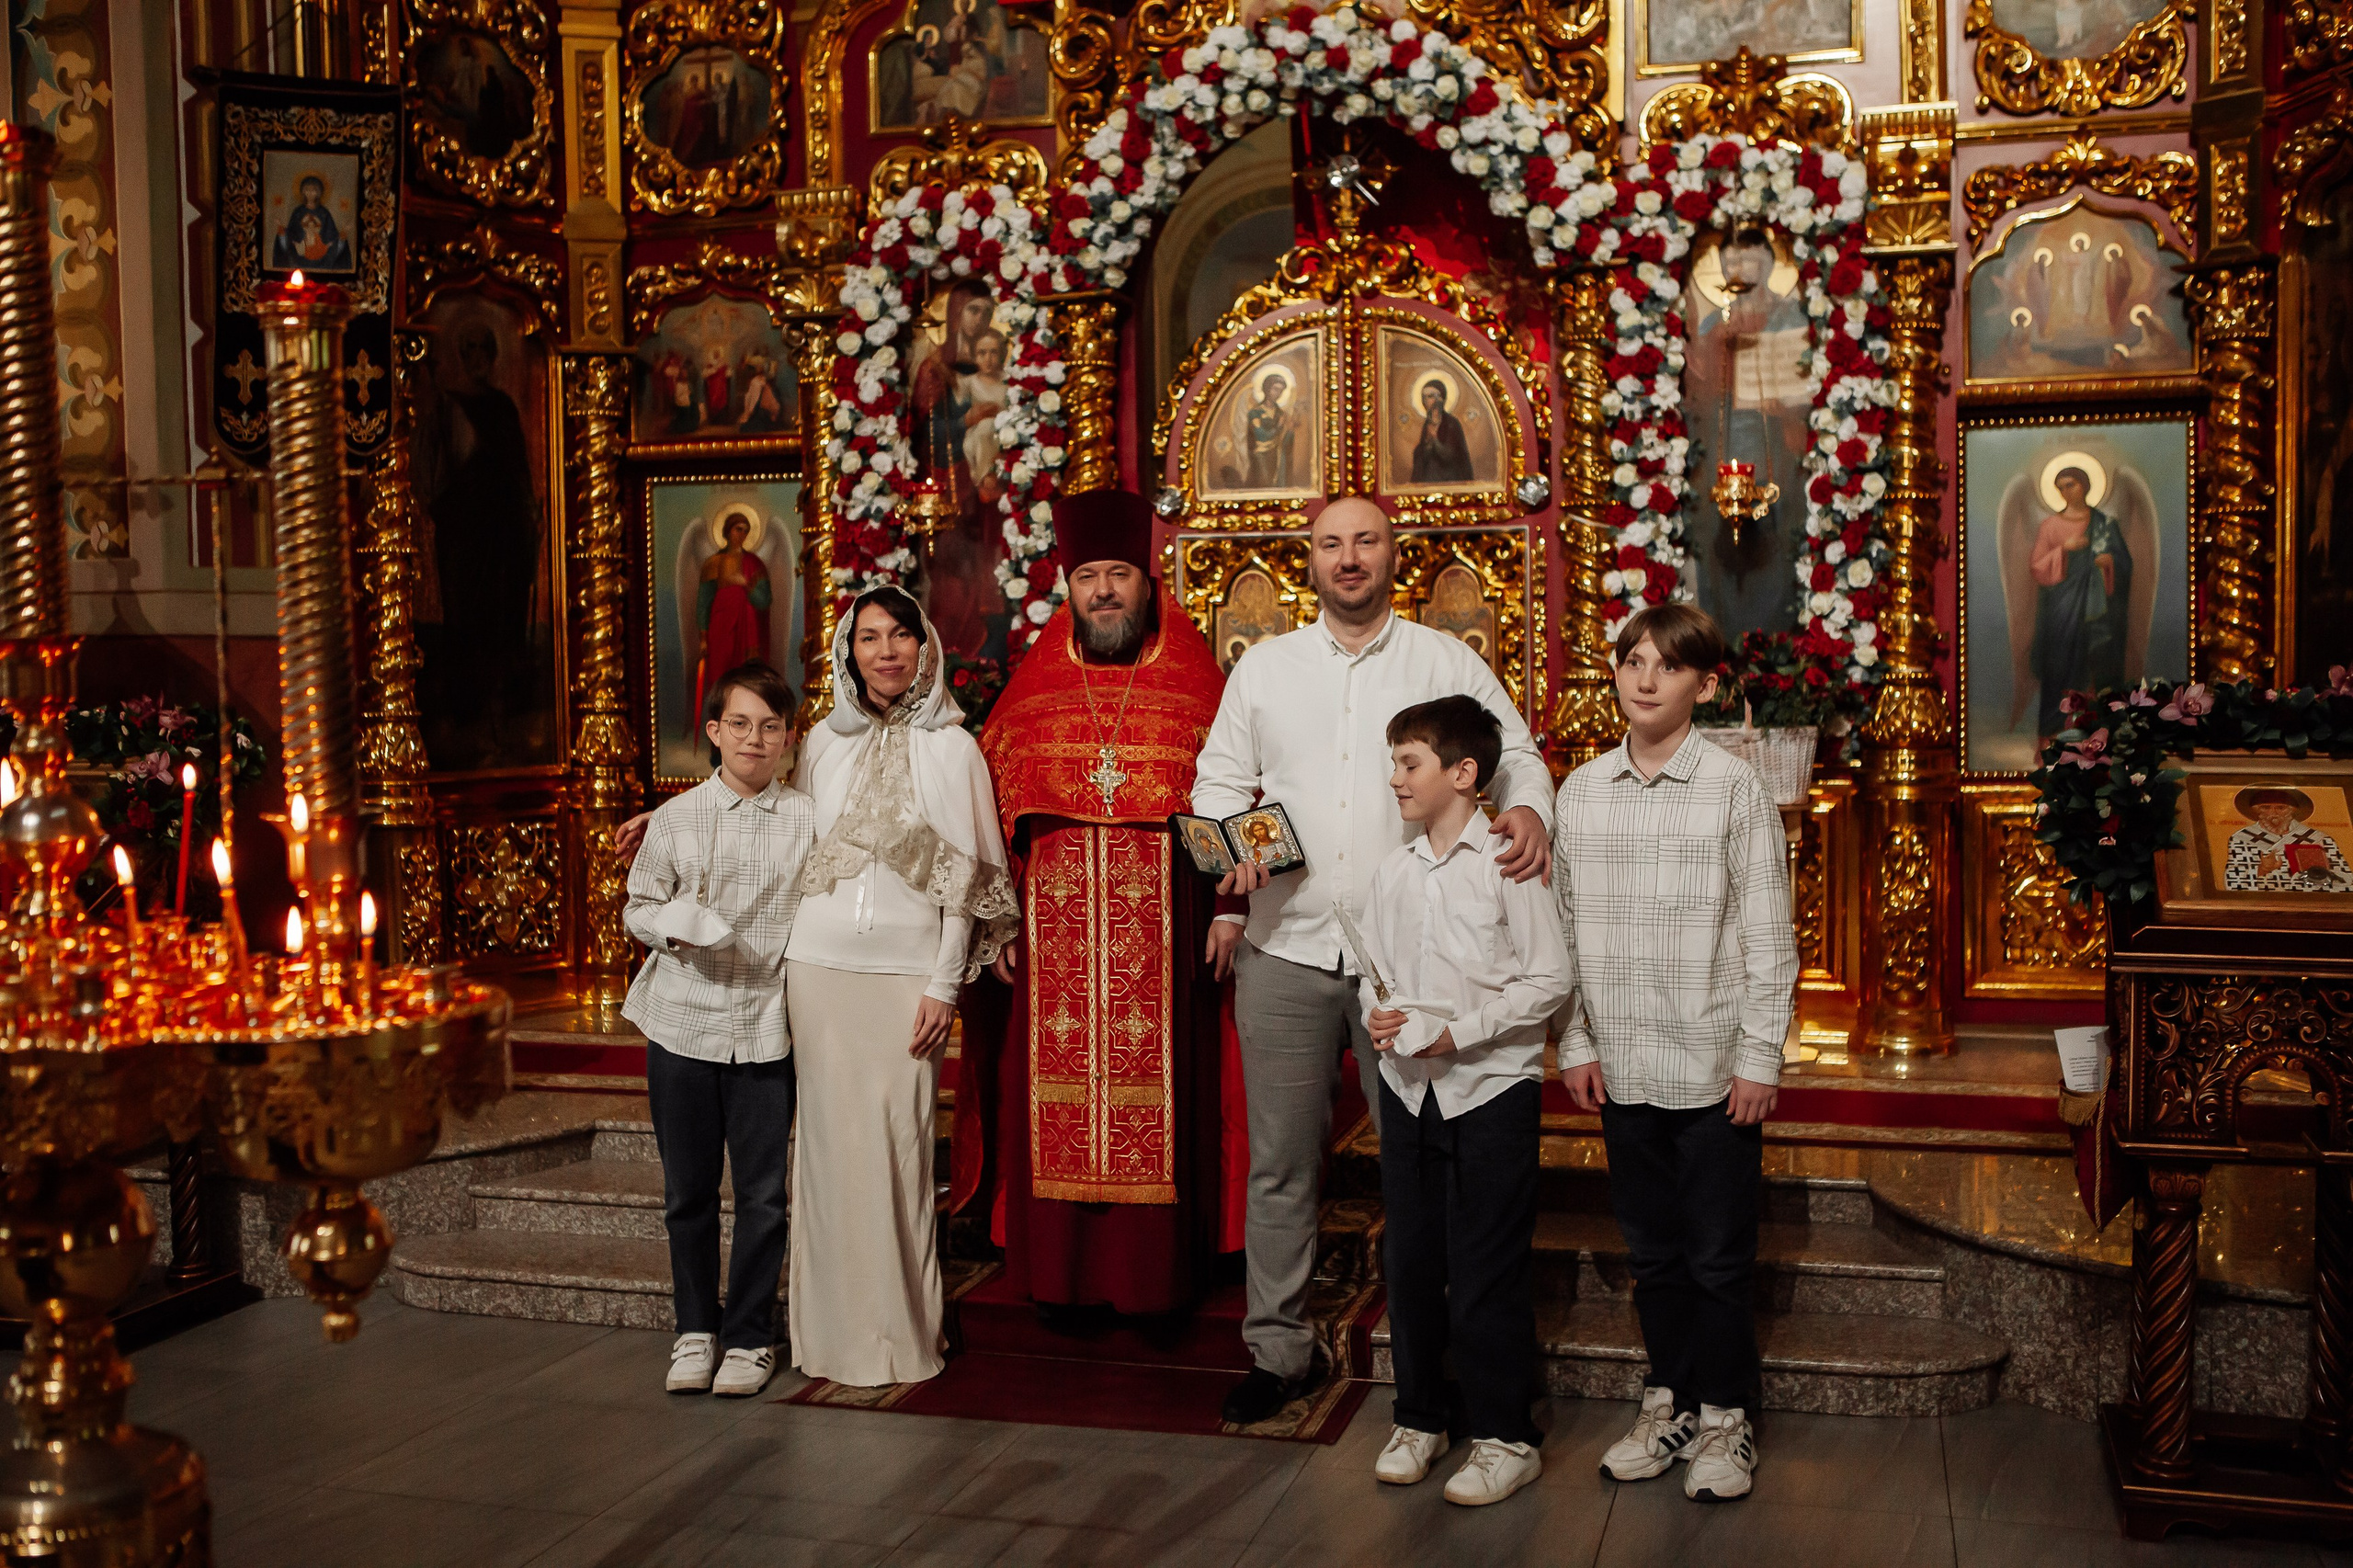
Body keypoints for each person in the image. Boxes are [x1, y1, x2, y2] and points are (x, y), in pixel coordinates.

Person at [1192, 494, 1555, 1425]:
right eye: (1330, 544)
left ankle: (1431, 1361)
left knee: (1423, 1165)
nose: (1348, 557)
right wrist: (1232, 850)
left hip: (1414, 964)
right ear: (1307, 559)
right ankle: (1278, 1351)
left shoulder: (1445, 660)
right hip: (1286, 943)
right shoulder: (1265, 668)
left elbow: (1515, 755)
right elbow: (1219, 780)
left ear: (1395, 553)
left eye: (1365, 541)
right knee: (1280, 1163)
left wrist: (1526, 809)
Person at [952, 489, 1238, 1318]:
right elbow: (993, 819)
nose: (1104, 590)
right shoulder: (1032, 694)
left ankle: (1156, 1277)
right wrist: (998, 919)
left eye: (1119, 574)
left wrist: (1232, 909)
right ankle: (1059, 1276)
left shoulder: (1198, 685)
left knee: (1170, 1102)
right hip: (1052, 946)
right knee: (1051, 1099)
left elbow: (1231, 796)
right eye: (1088, 577)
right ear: (1068, 588)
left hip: (1168, 939)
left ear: (1148, 582)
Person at [1552, 603, 1798, 1505]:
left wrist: (1759, 1054)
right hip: (1621, 1063)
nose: (1645, 678)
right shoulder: (1580, 791)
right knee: (1652, 1254)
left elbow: (1767, 934)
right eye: (1632, 661)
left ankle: (1726, 1414)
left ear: (1705, 684)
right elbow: (1562, 929)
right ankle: (1670, 1401)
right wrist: (1575, 1037)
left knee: (1717, 1256)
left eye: (1666, 664)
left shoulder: (1733, 789)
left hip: (1710, 1064)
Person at [784, 585, 1018, 1384]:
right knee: (826, 1152)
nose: (885, 651)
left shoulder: (954, 750)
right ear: (848, 652)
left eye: (900, 636)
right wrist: (672, 827)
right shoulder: (820, 743)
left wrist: (944, 986)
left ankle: (900, 1333)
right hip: (816, 968)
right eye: (869, 637)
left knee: (898, 1150)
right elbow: (773, 833)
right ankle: (827, 1337)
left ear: (925, 648)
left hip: (904, 977)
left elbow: (966, 887)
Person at [1358, 696, 1571, 1506]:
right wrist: (1381, 1016)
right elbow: (1376, 974)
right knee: (1410, 1262)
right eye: (1395, 762)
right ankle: (1421, 1418)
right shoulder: (1394, 872)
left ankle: (1505, 1435)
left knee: (1486, 1268)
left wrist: (1462, 1032)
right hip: (1409, 1091)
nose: (1395, 778)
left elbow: (1550, 978)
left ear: (1463, 773)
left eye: (1409, 762)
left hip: (1489, 1088)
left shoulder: (1505, 862)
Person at [620, 661, 813, 1400]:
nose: (754, 740)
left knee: (763, 1195)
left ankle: (751, 1337)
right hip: (681, 1022)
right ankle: (695, 1330)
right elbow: (639, 906)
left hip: (765, 1025)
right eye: (740, 725)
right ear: (714, 732)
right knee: (688, 1193)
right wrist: (672, 928)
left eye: (769, 727)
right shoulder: (675, 819)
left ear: (789, 738)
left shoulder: (808, 820)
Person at [2021, 465, 2133, 743]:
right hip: (2061, 611)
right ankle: (2052, 737)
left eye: (2070, 484)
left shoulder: (2105, 525)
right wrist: (2064, 549)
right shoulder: (2050, 526)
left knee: (2097, 665)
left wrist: (2109, 563)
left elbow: (2124, 564)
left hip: (2097, 614)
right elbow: (2037, 567)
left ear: (2085, 485)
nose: (2065, 491)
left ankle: (2096, 738)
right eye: (2060, 487)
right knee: (2059, 666)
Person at [693, 508, 771, 730]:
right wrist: (703, 638)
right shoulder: (713, 563)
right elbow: (704, 602)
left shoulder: (755, 564)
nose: (742, 534)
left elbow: (764, 601)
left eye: (746, 530)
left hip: (748, 632)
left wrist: (746, 585)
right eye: (738, 529)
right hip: (721, 629)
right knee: (721, 680)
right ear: (727, 531)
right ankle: (719, 735)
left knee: (747, 682)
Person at [2224, 788, 2353, 892]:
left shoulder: (2319, 838)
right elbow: (2232, 881)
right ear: (2256, 811)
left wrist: (2320, 875)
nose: (2273, 813)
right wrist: (2261, 869)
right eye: (2266, 807)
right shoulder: (2242, 839)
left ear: (2292, 810)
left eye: (2281, 808)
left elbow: (2346, 878)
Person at [272, 174, 350, 272]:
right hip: (299, 261)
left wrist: (342, 235)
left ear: (318, 193)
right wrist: (282, 230)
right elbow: (291, 235)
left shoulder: (324, 213)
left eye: (313, 190)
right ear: (303, 192)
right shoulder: (298, 212)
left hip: (323, 261)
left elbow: (331, 237)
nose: (310, 193)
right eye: (307, 190)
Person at [1408, 381, 1473, 484]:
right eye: (1427, 397)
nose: (1433, 400)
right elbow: (1424, 456)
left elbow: (1451, 456)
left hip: (1450, 479)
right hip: (1430, 479)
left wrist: (1434, 439)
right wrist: (1426, 444)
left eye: (1435, 396)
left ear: (1441, 399)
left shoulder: (1451, 423)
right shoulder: (1428, 423)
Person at [1245, 374, 1295, 490]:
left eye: (1281, 391)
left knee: (1277, 484)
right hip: (1261, 456)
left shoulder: (1281, 413)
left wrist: (1290, 431)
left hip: (1277, 456)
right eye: (1275, 389)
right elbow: (1261, 436)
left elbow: (1284, 441)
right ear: (1267, 389)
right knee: (1264, 484)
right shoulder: (1255, 413)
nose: (1278, 394)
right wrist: (1279, 426)